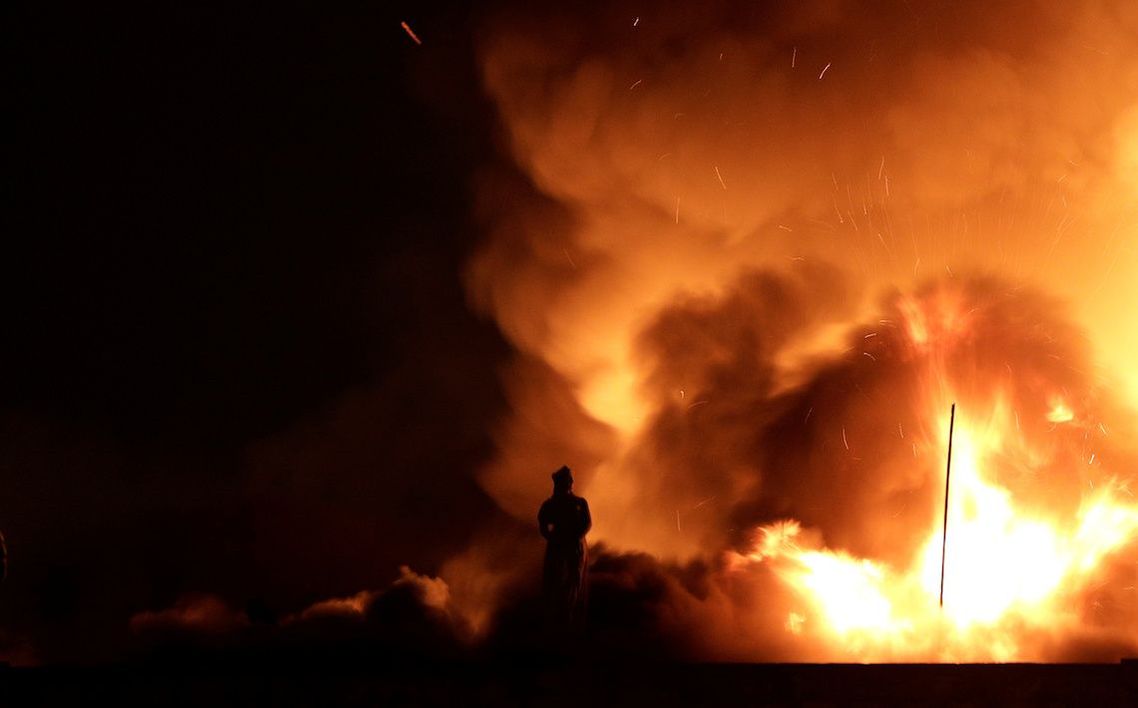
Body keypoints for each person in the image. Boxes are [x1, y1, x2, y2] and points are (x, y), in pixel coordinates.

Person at [538, 465, 591, 630]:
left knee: (574, 581)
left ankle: (571, 617)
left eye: (570, 479)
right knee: (555, 581)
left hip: (575, 548)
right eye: (568, 479)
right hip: (559, 547)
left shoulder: (579, 503)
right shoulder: (550, 505)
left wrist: (575, 537)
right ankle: (556, 620)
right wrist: (554, 538)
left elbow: (587, 523)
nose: (571, 482)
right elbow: (543, 524)